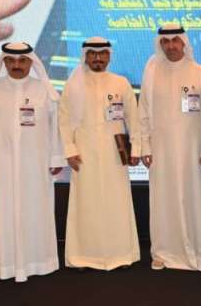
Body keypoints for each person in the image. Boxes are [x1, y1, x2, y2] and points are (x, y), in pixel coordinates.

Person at [0, 42, 64, 282]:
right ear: (3, 62)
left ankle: (40, 263)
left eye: (22, 60)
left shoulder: (44, 90)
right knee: (5, 212)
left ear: (31, 62)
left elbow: (56, 128)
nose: (16, 65)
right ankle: (8, 266)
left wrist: (56, 157)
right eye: (11, 61)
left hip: (37, 165)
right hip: (3, 164)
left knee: (37, 211)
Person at [59, 37, 141, 270]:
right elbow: (64, 121)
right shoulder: (73, 85)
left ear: (109, 56)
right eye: (93, 54)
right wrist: (69, 150)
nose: (98, 58)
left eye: (102, 53)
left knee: (117, 202)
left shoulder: (120, 83)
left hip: (115, 154)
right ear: (85, 56)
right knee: (86, 204)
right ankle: (83, 256)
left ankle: (121, 254)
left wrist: (136, 148)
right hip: (84, 154)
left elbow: (133, 118)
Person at [139, 24, 201, 271]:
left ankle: (196, 247)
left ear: (184, 42)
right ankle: (163, 251)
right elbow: (143, 112)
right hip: (161, 151)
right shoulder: (151, 73)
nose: (170, 46)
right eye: (165, 41)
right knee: (163, 200)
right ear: (160, 44)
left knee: (193, 198)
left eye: (175, 40)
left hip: (193, 151)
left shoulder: (200, 73)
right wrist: (144, 147)